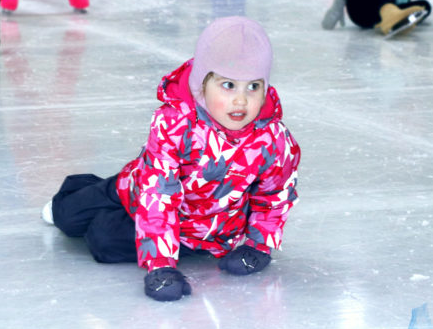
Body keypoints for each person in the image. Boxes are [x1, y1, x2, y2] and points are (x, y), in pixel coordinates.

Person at [43, 17, 301, 302]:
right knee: (66, 215)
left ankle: (130, 228)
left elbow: (274, 194)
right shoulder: (176, 124)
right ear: (202, 84)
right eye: (228, 85)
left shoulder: (273, 139)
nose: (241, 101)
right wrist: (161, 265)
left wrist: (258, 246)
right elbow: (158, 192)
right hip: (138, 188)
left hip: (205, 230)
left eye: (253, 87)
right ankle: (87, 188)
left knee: (103, 240)